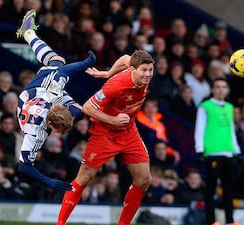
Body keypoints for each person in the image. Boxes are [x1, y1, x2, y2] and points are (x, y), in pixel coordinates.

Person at [55, 49, 155, 225]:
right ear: (133, 69)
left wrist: (107, 72)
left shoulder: (138, 71)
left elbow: (125, 58)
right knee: (84, 178)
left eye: (150, 70)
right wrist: (113, 120)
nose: (148, 74)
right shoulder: (115, 86)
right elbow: (87, 108)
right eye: (144, 70)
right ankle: (60, 223)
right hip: (104, 133)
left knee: (144, 179)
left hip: (129, 131)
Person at [15, 9, 96, 193]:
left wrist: (86, 63)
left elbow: (64, 71)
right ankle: (28, 32)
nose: (60, 133)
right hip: (38, 99)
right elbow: (23, 167)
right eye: (60, 130)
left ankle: (28, 32)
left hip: (33, 96)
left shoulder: (35, 132)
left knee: (57, 62)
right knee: (79, 111)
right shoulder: (37, 133)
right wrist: (51, 182)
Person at [194, 77, 241, 225]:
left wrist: (236, 148)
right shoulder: (205, 106)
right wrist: (199, 148)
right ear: (213, 89)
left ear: (227, 90)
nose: (221, 89)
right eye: (218, 87)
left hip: (228, 152)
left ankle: (230, 220)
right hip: (213, 152)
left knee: (229, 188)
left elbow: (231, 129)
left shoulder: (229, 107)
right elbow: (199, 127)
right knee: (211, 188)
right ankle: (211, 220)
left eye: (224, 87)